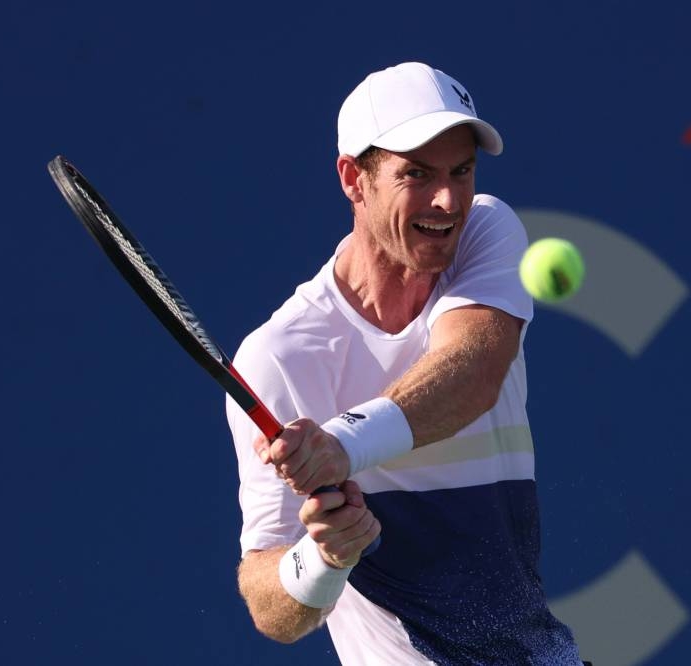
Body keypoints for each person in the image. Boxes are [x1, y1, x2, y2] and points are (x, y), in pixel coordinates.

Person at [227, 62, 586, 665]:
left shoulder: (486, 230)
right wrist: (322, 559)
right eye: (416, 174)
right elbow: (271, 607)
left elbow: (472, 372)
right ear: (354, 179)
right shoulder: (278, 358)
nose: (447, 200)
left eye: (461, 171)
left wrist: (341, 443)